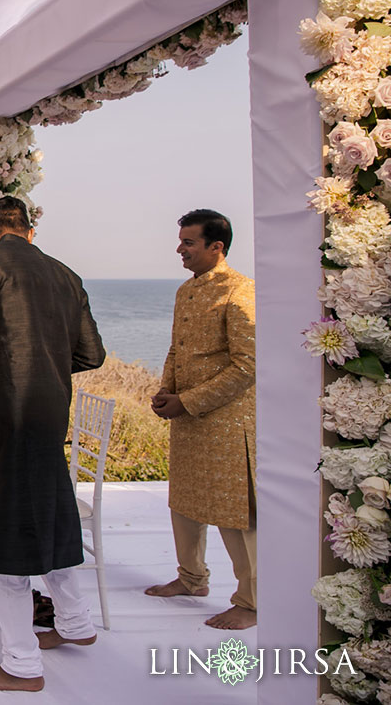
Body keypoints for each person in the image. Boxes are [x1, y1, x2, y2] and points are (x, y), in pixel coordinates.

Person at [0, 196, 105, 693]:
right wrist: (46, 363)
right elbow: (91, 353)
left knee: (6, 532)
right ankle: (75, 624)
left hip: (8, 413)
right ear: (30, 232)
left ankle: (21, 664)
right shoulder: (65, 274)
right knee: (50, 513)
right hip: (51, 413)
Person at [144, 209, 256, 630]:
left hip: (226, 422)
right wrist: (165, 390)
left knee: (234, 512)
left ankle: (251, 601)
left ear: (216, 247)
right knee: (185, 501)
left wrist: (187, 401)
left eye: (188, 242)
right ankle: (191, 579)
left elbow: (247, 367)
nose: (180, 249)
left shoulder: (239, 291)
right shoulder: (185, 291)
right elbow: (178, 348)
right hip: (186, 416)